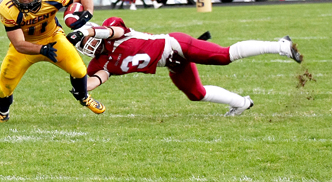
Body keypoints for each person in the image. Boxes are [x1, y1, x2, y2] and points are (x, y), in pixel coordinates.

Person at [66, 17, 303, 116]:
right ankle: (242, 103)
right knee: (195, 94)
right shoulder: (101, 62)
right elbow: (98, 77)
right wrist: (82, 88)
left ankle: (281, 46)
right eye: (83, 44)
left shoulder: (110, 31)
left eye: (87, 40)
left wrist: (84, 30)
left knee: (223, 56)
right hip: (171, 63)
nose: (87, 45)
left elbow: (112, 30)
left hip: (176, 45)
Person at [0, 0, 105, 124]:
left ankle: (84, 97)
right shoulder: (7, 9)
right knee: (4, 87)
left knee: (79, 70)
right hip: (26, 46)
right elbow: (18, 44)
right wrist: (42, 49)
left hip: (52, 37)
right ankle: (3, 114)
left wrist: (88, 12)